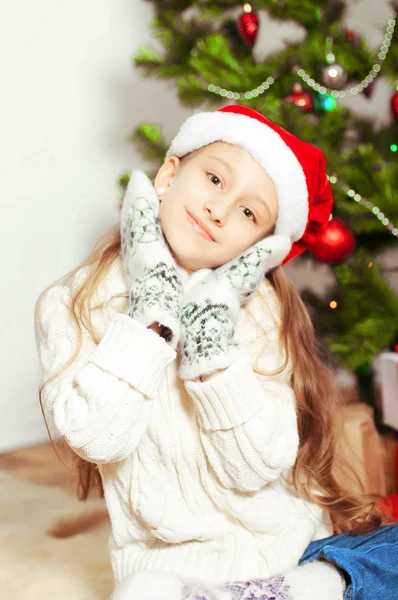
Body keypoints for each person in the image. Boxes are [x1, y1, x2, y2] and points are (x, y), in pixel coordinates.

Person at [34, 104, 398, 600]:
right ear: (168, 174)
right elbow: (98, 439)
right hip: (168, 576)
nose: (219, 210)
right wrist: (153, 315)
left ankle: (308, 586)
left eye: (249, 213)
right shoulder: (73, 302)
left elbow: (253, 468)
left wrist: (211, 345)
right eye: (214, 179)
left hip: (289, 554)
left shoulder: (261, 311)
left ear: (262, 248)